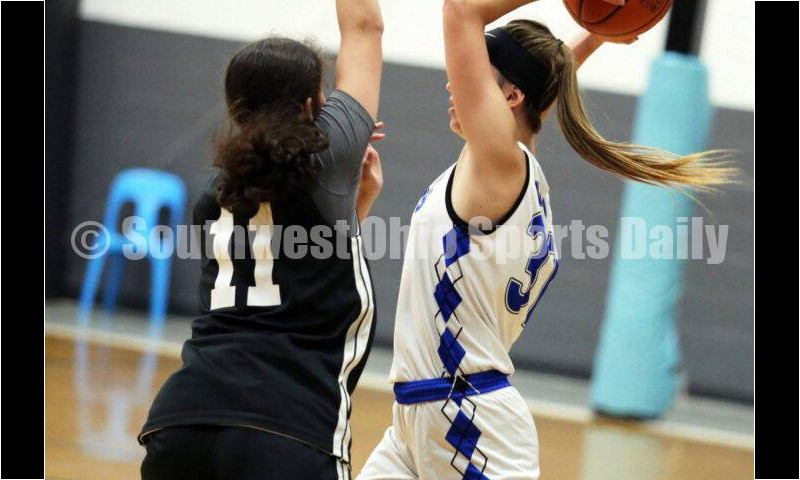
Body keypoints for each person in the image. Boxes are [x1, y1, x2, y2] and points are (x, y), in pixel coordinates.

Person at [357, 0, 734, 478]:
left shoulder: (497, 164)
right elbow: (542, 86)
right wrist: (594, 35)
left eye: (475, 72)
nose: (455, 82)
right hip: (420, 416)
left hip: (469, 422)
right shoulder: (508, 163)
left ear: (510, 98)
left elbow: (460, 9)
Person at [138, 1, 384, 478]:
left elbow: (289, 267)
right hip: (286, 428)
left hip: (181, 421)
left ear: (236, 107)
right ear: (314, 106)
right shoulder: (329, 158)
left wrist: (357, 205)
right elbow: (364, 24)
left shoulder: (215, 194)